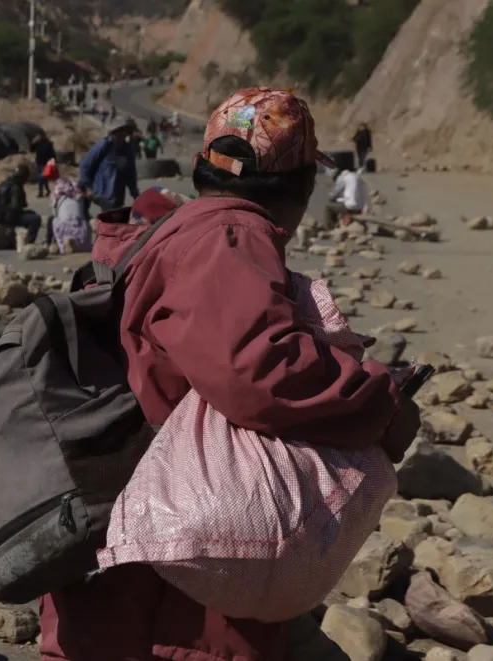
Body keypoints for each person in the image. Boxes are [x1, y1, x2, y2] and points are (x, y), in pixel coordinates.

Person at [40, 87, 421, 661]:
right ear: (300, 189)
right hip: (177, 554)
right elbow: (256, 369)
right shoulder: (230, 237)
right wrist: (377, 399)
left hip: (131, 524)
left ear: (202, 169)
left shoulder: (173, 231)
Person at [77, 117, 139, 220]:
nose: (124, 135)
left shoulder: (127, 150)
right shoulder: (104, 146)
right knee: (109, 220)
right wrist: (87, 187)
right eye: (122, 131)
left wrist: (135, 193)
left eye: (126, 132)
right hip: (102, 191)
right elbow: (85, 164)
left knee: (115, 220)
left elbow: (130, 173)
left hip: (118, 193)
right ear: (115, 131)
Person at [0, 165, 42, 244]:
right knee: (35, 219)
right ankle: (29, 242)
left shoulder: (5, 183)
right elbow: (15, 207)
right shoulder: (16, 187)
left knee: (31, 214)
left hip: (0, 214)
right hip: (9, 217)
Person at [49, 177, 91, 254]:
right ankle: (79, 244)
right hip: (80, 229)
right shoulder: (78, 195)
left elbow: (55, 214)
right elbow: (84, 213)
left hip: (64, 228)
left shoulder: (56, 196)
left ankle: (61, 245)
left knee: (54, 221)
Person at [31, 131, 57, 198]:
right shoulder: (37, 143)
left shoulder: (48, 143)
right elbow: (31, 150)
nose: (39, 137)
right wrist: (33, 142)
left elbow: (52, 153)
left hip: (46, 163)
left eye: (40, 136)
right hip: (38, 162)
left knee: (41, 177)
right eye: (38, 136)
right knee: (42, 178)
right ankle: (47, 190)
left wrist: (53, 161)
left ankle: (41, 192)